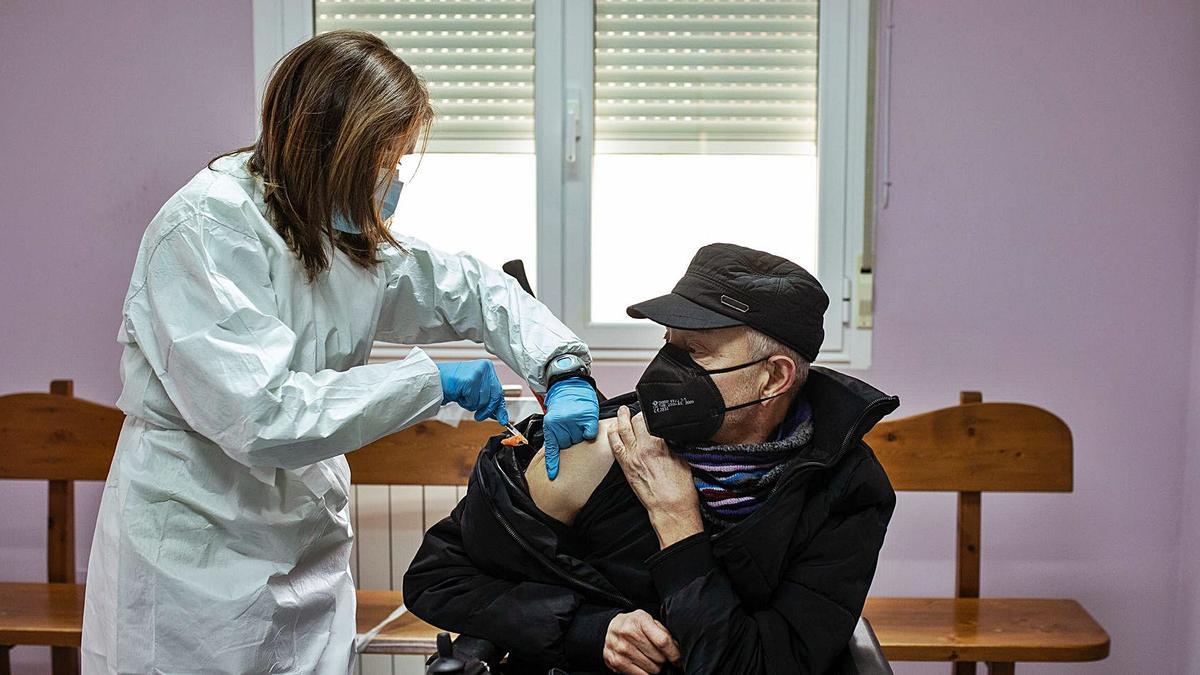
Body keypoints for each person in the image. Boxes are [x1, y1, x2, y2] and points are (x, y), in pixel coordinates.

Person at [80, 30, 599, 674]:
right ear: (335, 147)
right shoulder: (206, 231)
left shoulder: (334, 228)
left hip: (304, 541)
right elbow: (263, 417)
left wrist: (563, 365)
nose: (392, 180)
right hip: (196, 553)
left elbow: (465, 286)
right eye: (387, 158)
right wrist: (432, 382)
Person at [404, 243, 899, 674]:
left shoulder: (846, 488)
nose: (664, 371)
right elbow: (438, 578)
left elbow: (768, 663)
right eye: (669, 345)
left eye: (697, 353)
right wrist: (588, 630)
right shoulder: (611, 445)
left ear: (773, 378)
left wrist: (677, 521)